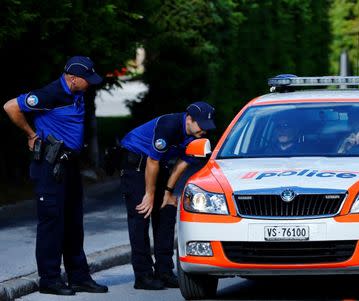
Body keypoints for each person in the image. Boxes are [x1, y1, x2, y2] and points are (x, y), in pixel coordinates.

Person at [3, 56, 108, 295]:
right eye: (87, 80)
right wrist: (31, 134)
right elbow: (11, 106)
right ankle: (49, 279)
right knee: (52, 222)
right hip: (49, 167)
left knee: (73, 222)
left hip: (69, 165)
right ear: (72, 79)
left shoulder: (77, 93)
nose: (90, 83)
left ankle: (78, 276)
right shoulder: (50, 94)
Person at [120, 101, 216, 290]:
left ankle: (164, 271)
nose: (204, 131)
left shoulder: (197, 134)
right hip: (137, 162)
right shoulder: (169, 126)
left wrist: (168, 192)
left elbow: (183, 163)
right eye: (201, 125)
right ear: (189, 119)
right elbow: (152, 161)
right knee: (141, 214)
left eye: (207, 127)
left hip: (158, 164)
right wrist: (149, 194)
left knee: (167, 209)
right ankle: (143, 275)